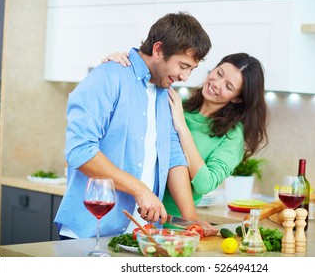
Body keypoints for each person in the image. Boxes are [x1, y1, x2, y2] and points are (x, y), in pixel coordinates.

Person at [54, 12, 212, 240]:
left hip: (141, 236)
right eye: (183, 65)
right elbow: (81, 151)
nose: (185, 76)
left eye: (191, 69)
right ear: (158, 50)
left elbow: (174, 156)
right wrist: (140, 189)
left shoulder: (166, 93)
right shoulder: (107, 77)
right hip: (90, 233)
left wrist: (192, 221)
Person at [103, 52, 268, 221]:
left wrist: (182, 127)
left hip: (175, 223)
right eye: (219, 73)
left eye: (229, 86)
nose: (216, 84)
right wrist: (121, 64)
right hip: (133, 209)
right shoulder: (176, 103)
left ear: (238, 99)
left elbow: (204, 183)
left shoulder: (233, 135)